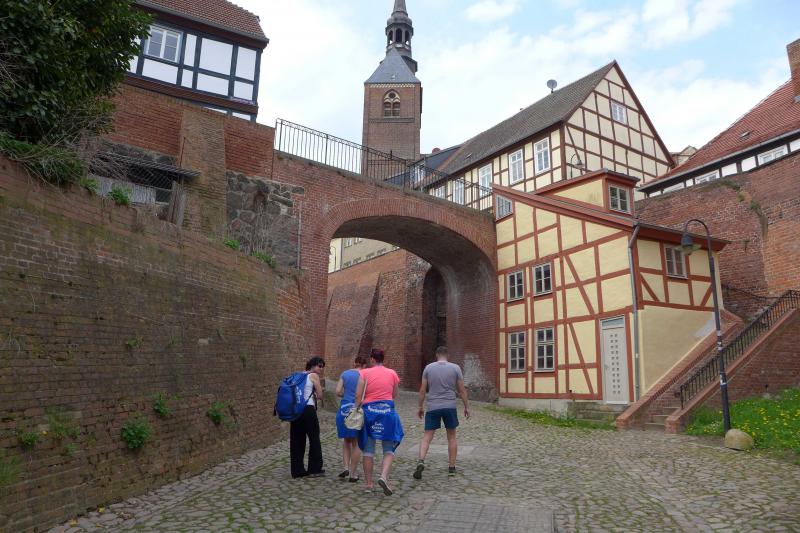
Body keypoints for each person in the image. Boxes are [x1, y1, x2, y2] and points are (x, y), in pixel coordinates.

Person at [413, 346, 470, 480]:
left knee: (427, 436)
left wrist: (420, 406)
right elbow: (462, 390)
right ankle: (451, 468)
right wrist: (466, 406)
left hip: (433, 406)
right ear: (448, 355)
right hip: (450, 406)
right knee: (452, 437)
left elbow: (422, 390)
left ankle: (421, 461)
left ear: (436, 355)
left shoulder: (428, 368)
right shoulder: (455, 368)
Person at [354, 348, 404, 495]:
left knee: (368, 450)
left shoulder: (364, 373)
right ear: (383, 359)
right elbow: (394, 394)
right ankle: (383, 476)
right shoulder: (392, 373)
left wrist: (356, 409)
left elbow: (358, 396)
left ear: (372, 359)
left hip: (369, 413)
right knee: (388, 449)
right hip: (387, 413)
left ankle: (369, 485)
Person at [290, 356, 326, 479]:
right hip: (308, 410)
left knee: (297, 440)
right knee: (314, 437)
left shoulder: (299, 375)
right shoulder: (314, 376)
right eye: (319, 366)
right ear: (313, 365)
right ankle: (314, 469)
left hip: (296, 411)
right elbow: (320, 395)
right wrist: (317, 392)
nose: (321, 369)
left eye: (322, 367)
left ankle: (297, 470)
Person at [335, 355, 368, 481]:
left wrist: (346, 395)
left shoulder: (345, 374)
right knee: (356, 443)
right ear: (364, 365)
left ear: (354, 363)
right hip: (357, 410)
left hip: (344, 409)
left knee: (346, 440)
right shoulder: (365, 375)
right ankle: (353, 473)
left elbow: (338, 391)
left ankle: (345, 467)